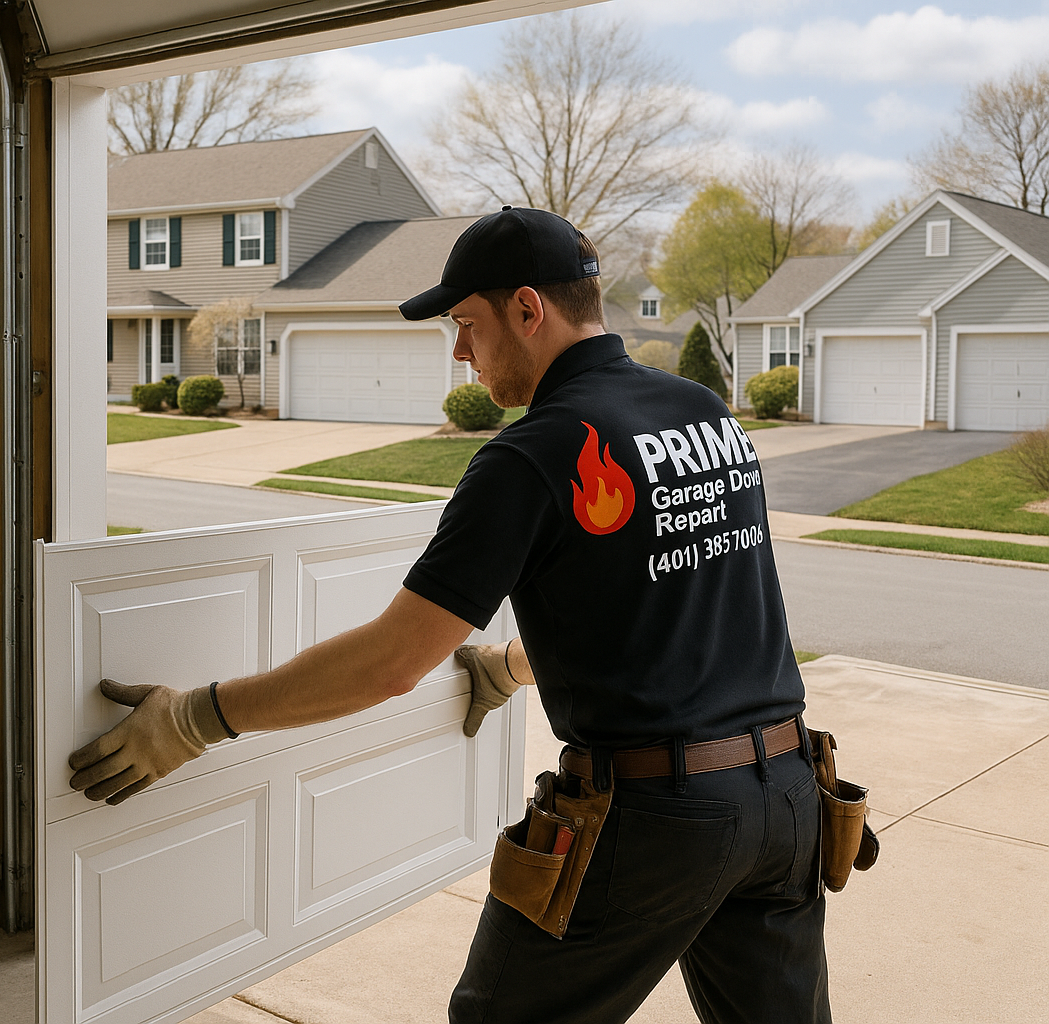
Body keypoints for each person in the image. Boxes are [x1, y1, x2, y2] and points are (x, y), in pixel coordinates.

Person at [68, 207, 829, 1024]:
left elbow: (393, 662)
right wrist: (510, 665)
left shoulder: (532, 455)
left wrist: (192, 720)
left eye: (467, 324)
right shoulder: (704, 413)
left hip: (654, 822)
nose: (461, 352)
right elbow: (660, 585)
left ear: (528, 310)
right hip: (788, 801)